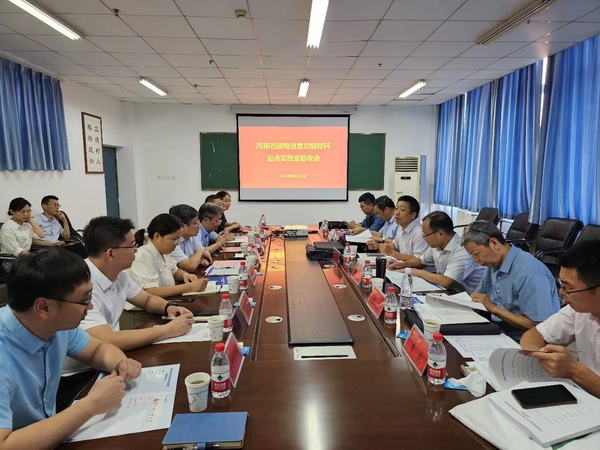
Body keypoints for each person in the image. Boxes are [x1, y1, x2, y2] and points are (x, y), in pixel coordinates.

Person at [0, 249, 142, 447]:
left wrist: (120, 362)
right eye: (84, 300)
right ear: (44, 307)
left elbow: (97, 350)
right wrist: (90, 406)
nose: (90, 307)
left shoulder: (54, 325)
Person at [60, 216, 195, 410]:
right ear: (111, 254)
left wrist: (169, 307)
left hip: (108, 363)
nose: (136, 250)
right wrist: (167, 330)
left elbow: (146, 300)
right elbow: (107, 339)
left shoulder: (119, 276)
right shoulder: (80, 283)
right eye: (132, 246)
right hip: (79, 377)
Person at [521, 242, 600, 399]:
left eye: (568, 288)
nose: (561, 292)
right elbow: (534, 334)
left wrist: (574, 370)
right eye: (561, 284)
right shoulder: (578, 310)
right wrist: (542, 356)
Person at [461, 220, 560, 336]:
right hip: (498, 329)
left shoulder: (530, 273)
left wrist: (494, 309)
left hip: (523, 338)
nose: (475, 260)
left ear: (494, 243)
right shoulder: (493, 262)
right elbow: (479, 295)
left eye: (476, 254)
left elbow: (538, 325)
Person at [399, 211, 484, 293]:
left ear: (441, 234)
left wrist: (418, 272)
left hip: (467, 297)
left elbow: (447, 281)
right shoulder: (436, 245)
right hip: (447, 291)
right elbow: (422, 261)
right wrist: (401, 264)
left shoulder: (462, 250)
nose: (424, 238)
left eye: (425, 235)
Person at [127, 214, 208, 298]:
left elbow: (174, 271)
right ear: (157, 236)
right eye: (174, 239)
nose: (176, 244)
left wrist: (185, 275)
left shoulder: (164, 253)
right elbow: (151, 292)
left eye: (179, 239)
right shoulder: (143, 256)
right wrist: (189, 287)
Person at [380, 195, 428, 262]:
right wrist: (379, 246)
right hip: (403, 266)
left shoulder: (419, 233)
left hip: (414, 268)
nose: (397, 213)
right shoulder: (401, 228)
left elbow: (419, 260)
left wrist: (392, 253)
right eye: (396, 209)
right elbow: (394, 245)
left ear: (413, 215)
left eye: (402, 210)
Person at [168, 204, 212, 272]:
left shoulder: (192, 237)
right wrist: (200, 251)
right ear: (182, 226)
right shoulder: (173, 242)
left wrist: (199, 258)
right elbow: (191, 266)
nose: (199, 226)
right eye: (196, 223)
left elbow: (206, 254)